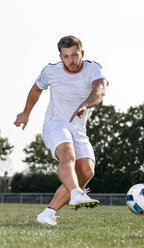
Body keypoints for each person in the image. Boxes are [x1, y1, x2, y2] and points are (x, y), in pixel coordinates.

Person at [14, 35, 109, 226]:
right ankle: (76, 193)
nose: (70, 61)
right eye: (65, 56)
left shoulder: (93, 68)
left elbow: (100, 90)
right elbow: (36, 89)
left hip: (79, 129)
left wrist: (85, 104)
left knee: (86, 170)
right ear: (60, 56)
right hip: (55, 123)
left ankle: (47, 214)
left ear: (81, 53)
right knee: (68, 156)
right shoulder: (51, 71)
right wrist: (26, 113)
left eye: (74, 55)